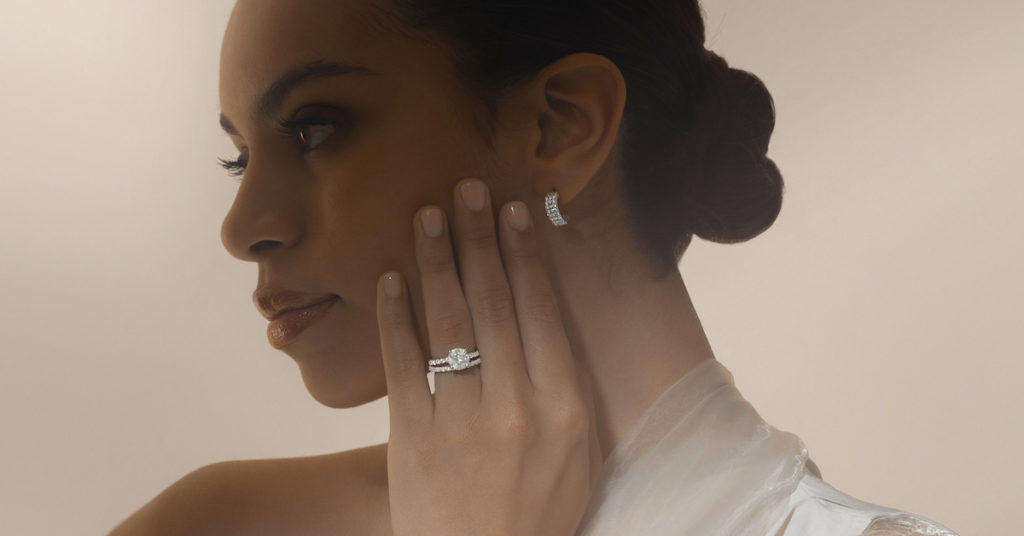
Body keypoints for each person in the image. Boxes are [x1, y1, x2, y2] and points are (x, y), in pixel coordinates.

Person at [108, 1, 961, 534]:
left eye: (315, 127)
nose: (242, 226)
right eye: (239, 158)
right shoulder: (213, 524)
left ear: (563, 125)